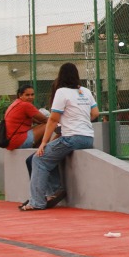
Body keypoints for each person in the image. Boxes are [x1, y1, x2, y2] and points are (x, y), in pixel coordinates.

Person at [24, 63, 99, 211]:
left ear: (61, 76)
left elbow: (52, 119)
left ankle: (37, 202)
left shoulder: (62, 92)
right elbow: (96, 114)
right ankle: (53, 192)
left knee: (38, 158)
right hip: (87, 138)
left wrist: (43, 142)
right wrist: (81, 121)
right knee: (48, 157)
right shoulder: (85, 91)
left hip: (71, 138)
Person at [3, 83, 49, 157]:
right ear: (20, 95)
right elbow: (46, 120)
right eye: (27, 95)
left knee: (43, 125)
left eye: (32, 94)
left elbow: (37, 120)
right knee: (48, 125)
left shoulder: (15, 103)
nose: (30, 97)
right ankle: (42, 153)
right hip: (19, 141)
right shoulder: (25, 105)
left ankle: (37, 150)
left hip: (10, 143)